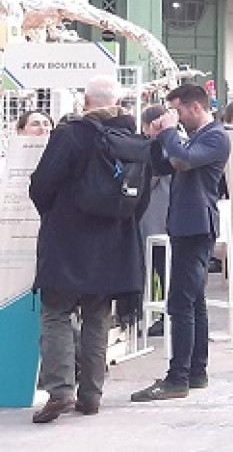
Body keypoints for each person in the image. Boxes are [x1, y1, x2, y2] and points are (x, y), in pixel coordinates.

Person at [28, 76, 146, 423]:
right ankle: (91, 395)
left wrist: (54, 211)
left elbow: (42, 184)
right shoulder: (132, 139)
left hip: (67, 238)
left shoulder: (71, 134)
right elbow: (142, 198)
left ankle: (60, 390)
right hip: (112, 243)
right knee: (97, 316)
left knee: (56, 313)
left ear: (86, 102)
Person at [132, 83, 230, 403]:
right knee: (194, 302)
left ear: (196, 108)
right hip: (186, 225)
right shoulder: (193, 136)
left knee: (180, 303)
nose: (176, 117)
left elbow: (183, 160)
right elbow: (164, 165)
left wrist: (171, 132)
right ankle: (197, 371)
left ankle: (178, 378)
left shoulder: (216, 136)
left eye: (178, 111)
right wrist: (159, 135)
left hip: (197, 226)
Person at [137, 106, 171, 338]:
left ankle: (163, 315)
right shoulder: (176, 144)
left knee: (159, 267)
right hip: (167, 216)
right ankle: (164, 314)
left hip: (154, 217)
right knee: (163, 268)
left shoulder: (153, 148)